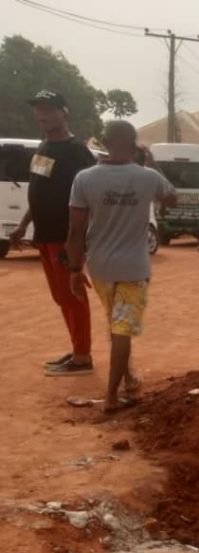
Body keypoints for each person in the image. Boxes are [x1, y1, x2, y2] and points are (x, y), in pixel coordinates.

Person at [65, 120, 177, 413]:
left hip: (99, 266)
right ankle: (113, 396)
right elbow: (171, 196)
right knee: (121, 331)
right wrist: (150, 161)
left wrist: (74, 271)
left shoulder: (85, 179)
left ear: (104, 142)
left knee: (117, 328)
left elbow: (75, 231)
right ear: (134, 143)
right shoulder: (148, 178)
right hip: (134, 268)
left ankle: (129, 380)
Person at [10, 90, 97, 376]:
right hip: (44, 234)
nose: (41, 115)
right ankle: (77, 348)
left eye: (48, 109)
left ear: (64, 112)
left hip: (65, 236)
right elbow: (38, 189)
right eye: (38, 110)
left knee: (72, 295)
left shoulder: (77, 152)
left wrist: (81, 240)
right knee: (61, 296)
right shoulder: (44, 147)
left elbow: (90, 196)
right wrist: (24, 224)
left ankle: (83, 357)